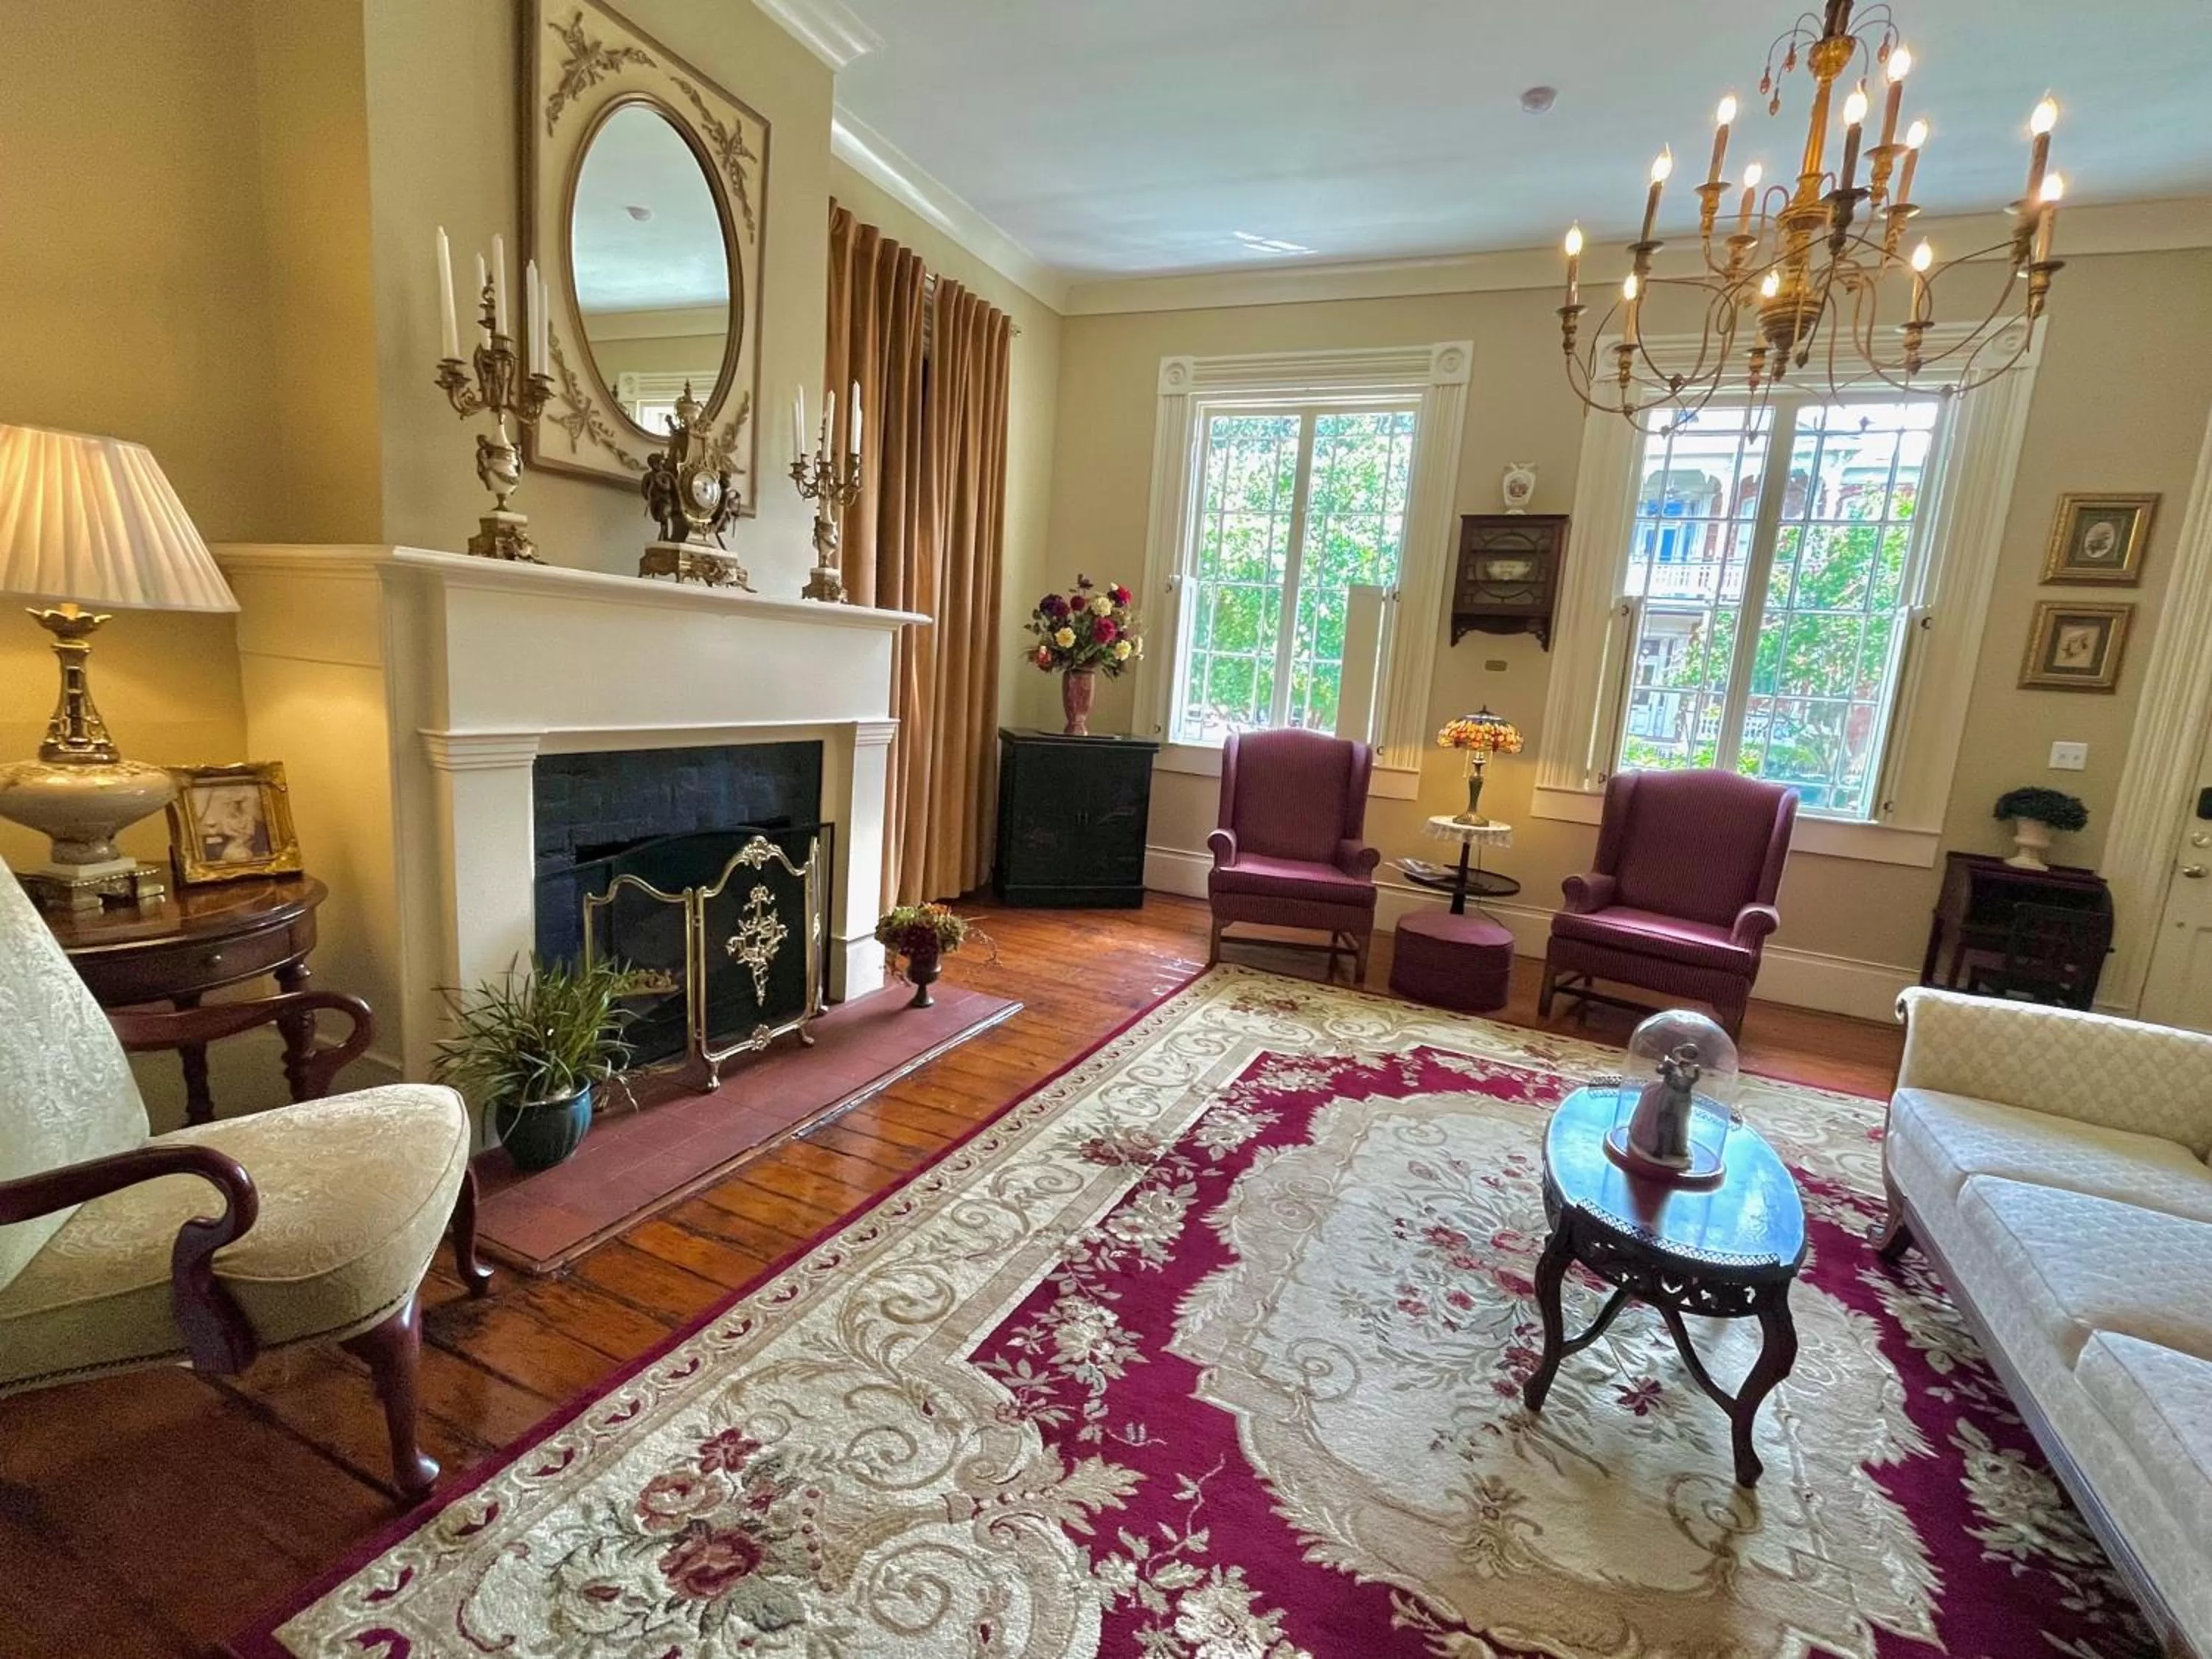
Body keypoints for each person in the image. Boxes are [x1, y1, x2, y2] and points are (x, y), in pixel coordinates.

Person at [197, 783, 271, 862]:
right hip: (233, 844)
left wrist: (242, 837)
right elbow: (225, 831)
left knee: (244, 855)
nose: (233, 807)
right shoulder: (226, 819)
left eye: (236, 804)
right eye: (231, 804)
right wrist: (235, 836)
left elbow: (250, 832)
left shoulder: (249, 818)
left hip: (244, 844)